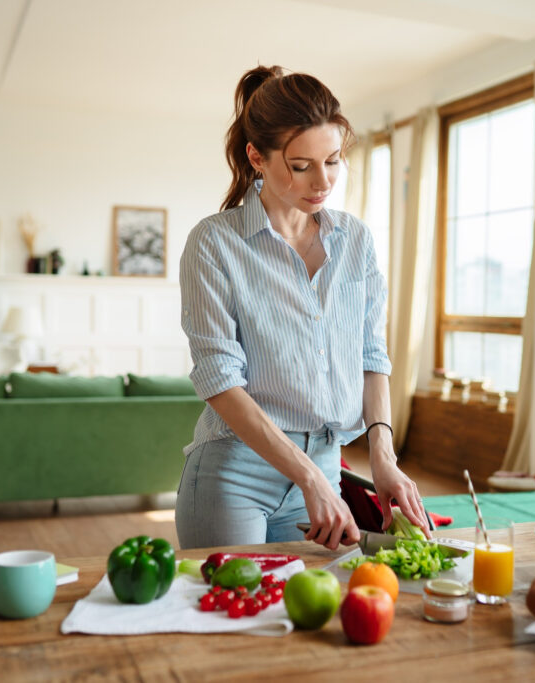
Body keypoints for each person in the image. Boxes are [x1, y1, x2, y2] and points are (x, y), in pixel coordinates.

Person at [176, 65, 430, 551]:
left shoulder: (355, 240)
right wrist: (309, 478)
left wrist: (383, 455)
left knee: (311, 619)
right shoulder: (214, 243)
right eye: (301, 165)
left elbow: (371, 357)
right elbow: (218, 380)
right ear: (257, 156)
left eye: (333, 160)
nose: (322, 181)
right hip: (236, 476)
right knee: (232, 619)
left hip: (326, 465)